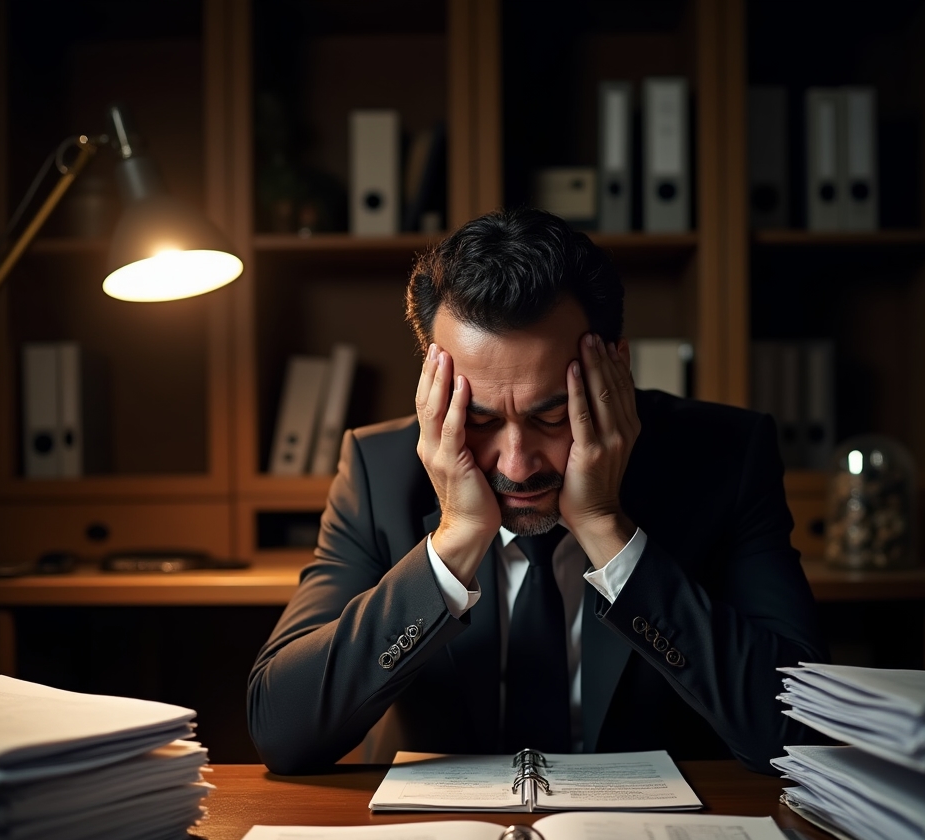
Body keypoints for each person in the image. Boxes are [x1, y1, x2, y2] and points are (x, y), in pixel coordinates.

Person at [248, 209, 826, 775]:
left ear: (615, 371)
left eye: (552, 418)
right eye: (479, 420)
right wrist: (454, 542)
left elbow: (797, 735)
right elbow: (281, 729)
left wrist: (605, 526)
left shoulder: (728, 457)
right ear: (434, 385)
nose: (517, 466)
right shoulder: (379, 472)